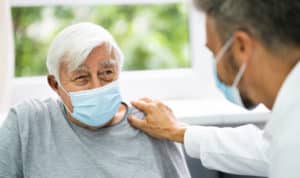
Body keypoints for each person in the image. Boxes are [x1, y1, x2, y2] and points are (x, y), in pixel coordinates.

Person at [128, 1, 300, 178]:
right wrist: (179, 131)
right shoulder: (291, 126)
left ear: (242, 47)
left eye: (214, 53)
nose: (215, 69)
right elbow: (266, 150)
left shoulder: (292, 139)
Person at [0, 22, 191, 178]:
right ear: (55, 84)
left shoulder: (152, 123)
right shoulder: (27, 123)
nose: (97, 86)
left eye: (107, 73)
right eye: (81, 77)